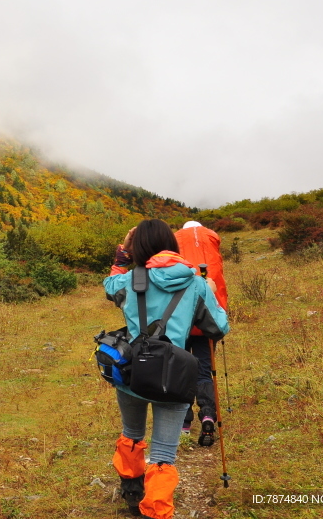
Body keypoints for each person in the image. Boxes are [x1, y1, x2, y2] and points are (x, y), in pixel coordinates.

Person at [104, 220, 230, 519]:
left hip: (133, 372)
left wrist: (122, 254)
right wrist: (210, 291)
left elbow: (109, 286)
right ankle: (156, 511)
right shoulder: (195, 282)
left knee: (132, 433)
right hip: (175, 376)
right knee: (163, 454)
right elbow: (219, 327)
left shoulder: (130, 279)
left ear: (139, 248)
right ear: (172, 245)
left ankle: (132, 492)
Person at [174, 220, 228, 446]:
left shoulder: (175, 240)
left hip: (182, 320)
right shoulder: (212, 239)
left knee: (183, 371)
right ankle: (207, 414)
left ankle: (184, 422)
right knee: (205, 371)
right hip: (208, 320)